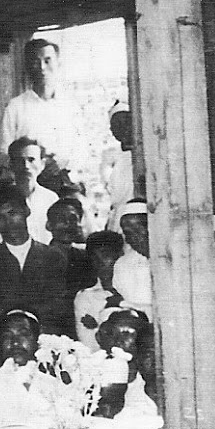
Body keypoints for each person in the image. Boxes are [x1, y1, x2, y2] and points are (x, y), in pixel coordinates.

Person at [0, 186, 73, 335]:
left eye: (12, 213)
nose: (8, 222)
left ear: (26, 210)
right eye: (0, 217)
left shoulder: (53, 257)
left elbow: (56, 307)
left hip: (46, 337)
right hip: (5, 338)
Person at [0, 38, 82, 174]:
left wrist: (63, 163)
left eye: (47, 61)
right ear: (28, 67)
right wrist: (25, 165)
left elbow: (82, 150)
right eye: (36, 62)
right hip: (28, 179)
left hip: (63, 178)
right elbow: (1, 153)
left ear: (58, 63)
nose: (42, 67)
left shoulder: (70, 106)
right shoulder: (15, 107)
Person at [0, 310, 54, 429]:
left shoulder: (57, 385)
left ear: (37, 340)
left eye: (23, 334)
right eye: (7, 336)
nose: (15, 342)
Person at [75, 231, 125, 350]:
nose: (100, 262)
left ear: (119, 256)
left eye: (105, 255)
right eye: (94, 257)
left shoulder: (133, 290)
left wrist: (97, 327)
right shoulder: (85, 297)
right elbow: (89, 344)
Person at [5, 137, 57, 244]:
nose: (26, 166)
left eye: (31, 160)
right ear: (11, 165)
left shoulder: (51, 199)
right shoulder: (1, 198)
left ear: (42, 164)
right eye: (19, 160)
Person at [109, 201, 152, 316]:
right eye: (127, 233)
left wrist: (123, 303)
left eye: (137, 231)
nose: (130, 239)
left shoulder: (172, 260)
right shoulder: (122, 264)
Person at [100, 101, 135, 232]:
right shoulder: (109, 157)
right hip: (117, 217)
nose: (122, 128)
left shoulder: (143, 153)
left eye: (126, 122)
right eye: (117, 124)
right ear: (112, 130)